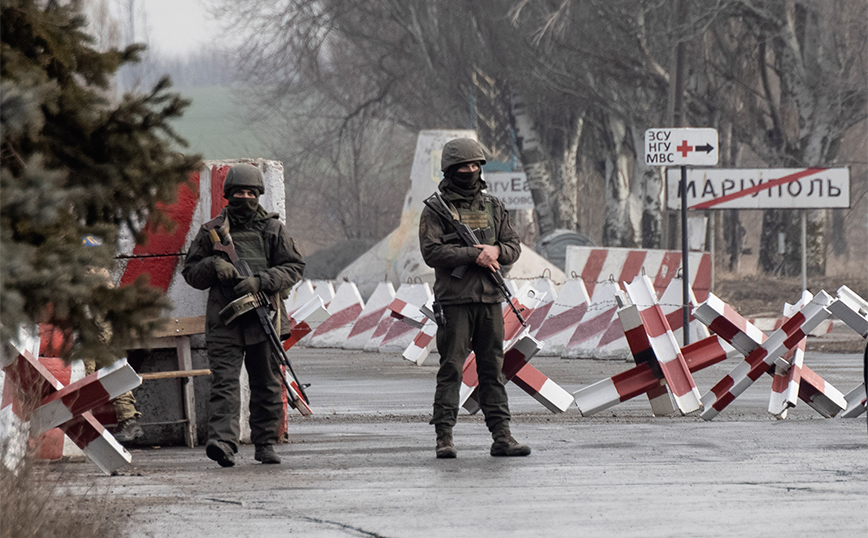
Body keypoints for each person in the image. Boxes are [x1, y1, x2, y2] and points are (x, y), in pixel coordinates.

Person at [182, 164, 305, 467]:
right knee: (224, 383)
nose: (245, 197)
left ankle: (264, 443)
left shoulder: (273, 229)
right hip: (226, 320)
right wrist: (213, 266)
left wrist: (260, 281)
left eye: (251, 193)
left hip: (264, 316)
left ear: (260, 195)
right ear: (228, 195)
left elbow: (294, 267)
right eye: (239, 192)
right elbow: (191, 272)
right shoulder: (212, 231)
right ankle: (223, 442)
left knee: (267, 383)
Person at [418, 137, 530, 459]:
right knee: (451, 368)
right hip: (454, 301)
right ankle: (444, 437)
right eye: (464, 166)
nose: (470, 171)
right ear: (451, 170)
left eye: (475, 165)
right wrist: (472, 255)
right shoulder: (437, 210)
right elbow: (431, 251)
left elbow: (513, 246)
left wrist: (496, 251)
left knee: (492, 370)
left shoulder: (493, 206)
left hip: (490, 299)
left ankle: (502, 436)